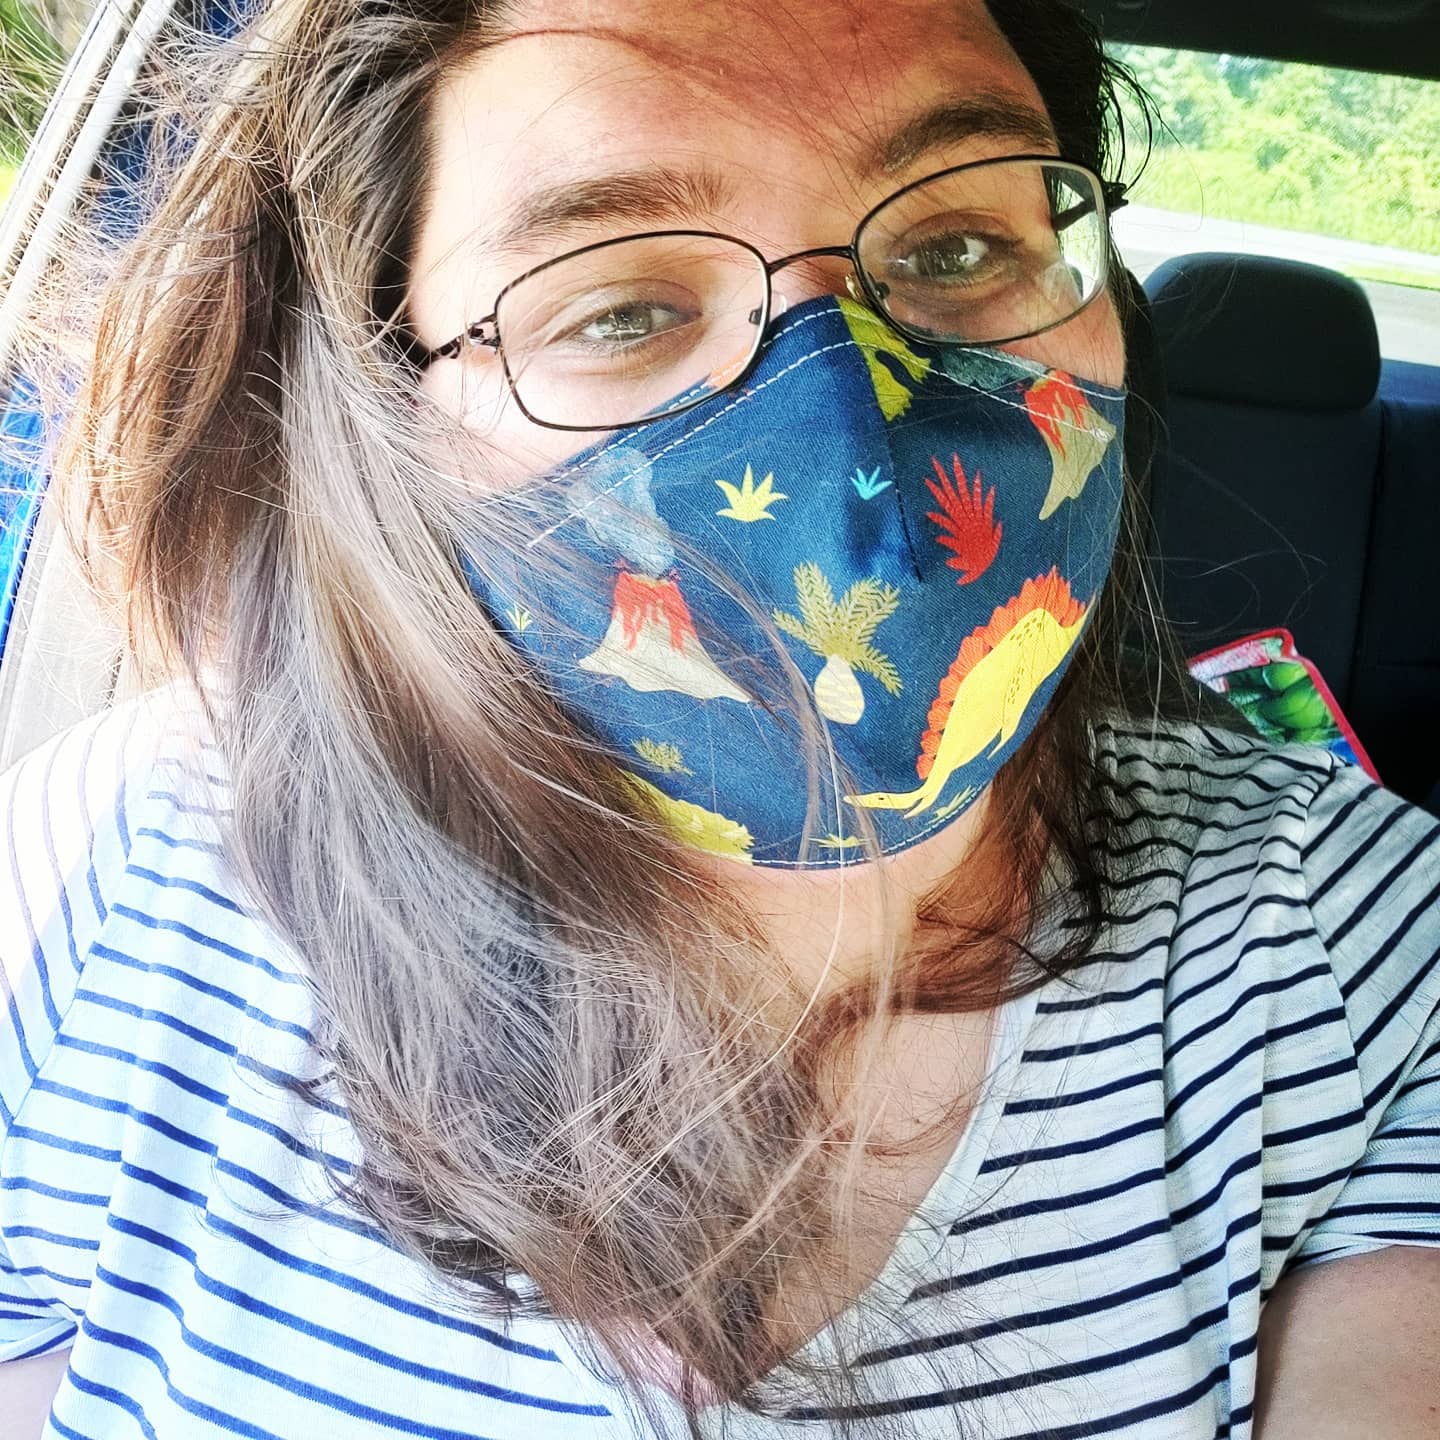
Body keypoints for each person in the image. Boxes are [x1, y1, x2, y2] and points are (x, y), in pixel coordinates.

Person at [2, 0, 1438, 1436]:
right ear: (383, 420)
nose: (848, 434)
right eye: (620, 310)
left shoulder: (1349, 938)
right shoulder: (112, 871)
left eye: (957, 247)